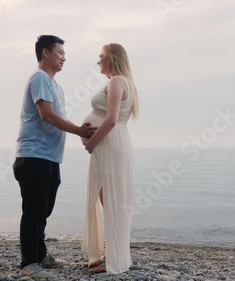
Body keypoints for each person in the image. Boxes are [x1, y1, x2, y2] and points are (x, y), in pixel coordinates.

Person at [13, 35, 96, 279]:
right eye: (60, 52)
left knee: (43, 210)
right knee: (33, 211)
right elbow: (47, 115)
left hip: (49, 158)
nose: (64, 57)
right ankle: (28, 264)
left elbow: (55, 119)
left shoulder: (55, 85)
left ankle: (40, 256)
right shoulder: (39, 78)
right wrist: (80, 131)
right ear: (46, 52)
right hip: (33, 155)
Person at [81, 43, 139, 274]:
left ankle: (114, 259)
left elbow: (112, 119)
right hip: (116, 143)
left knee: (113, 202)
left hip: (110, 144)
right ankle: (112, 254)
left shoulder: (117, 81)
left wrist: (92, 142)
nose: (98, 61)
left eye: (101, 57)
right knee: (112, 203)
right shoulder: (123, 82)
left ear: (112, 58)